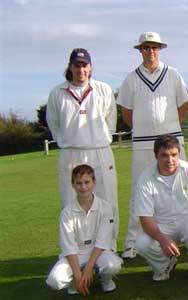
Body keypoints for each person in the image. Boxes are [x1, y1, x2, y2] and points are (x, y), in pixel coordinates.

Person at [117, 31, 188, 259]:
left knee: (182, 187)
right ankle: (131, 243)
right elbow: (127, 114)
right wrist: (146, 129)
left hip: (172, 141)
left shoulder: (174, 75)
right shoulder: (131, 78)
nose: (151, 51)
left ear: (160, 49)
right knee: (139, 190)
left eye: (154, 47)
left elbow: (183, 109)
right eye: (146, 47)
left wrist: (166, 131)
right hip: (142, 143)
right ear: (140, 50)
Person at [46, 48, 119, 250]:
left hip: (100, 150)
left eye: (84, 65)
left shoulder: (103, 89)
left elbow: (110, 121)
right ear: (70, 67)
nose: (81, 69)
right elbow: (54, 124)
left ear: (90, 67)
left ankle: (109, 248)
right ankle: (75, 251)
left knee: (107, 199)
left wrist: (100, 138)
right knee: (71, 201)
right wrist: (69, 140)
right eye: (76, 65)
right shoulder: (57, 93)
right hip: (71, 153)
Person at [134, 135, 188, 282]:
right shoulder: (145, 178)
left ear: (179, 153)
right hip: (161, 223)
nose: (170, 160)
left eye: (174, 155)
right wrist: (162, 239)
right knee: (141, 244)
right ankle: (165, 265)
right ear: (156, 156)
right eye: (164, 155)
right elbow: (145, 218)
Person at [46, 165, 122, 295]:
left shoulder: (105, 207)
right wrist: (77, 275)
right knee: (55, 281)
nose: (83, 187)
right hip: (76, 254)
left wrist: (88, 268)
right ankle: (74, 283)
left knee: (113, 265)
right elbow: (68, 246)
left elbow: (102, 241)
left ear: (94, 182)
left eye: (87, 182)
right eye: (79, 183)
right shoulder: (67, 212)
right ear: (73, 185)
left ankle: (105, 280)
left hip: (98, 251)